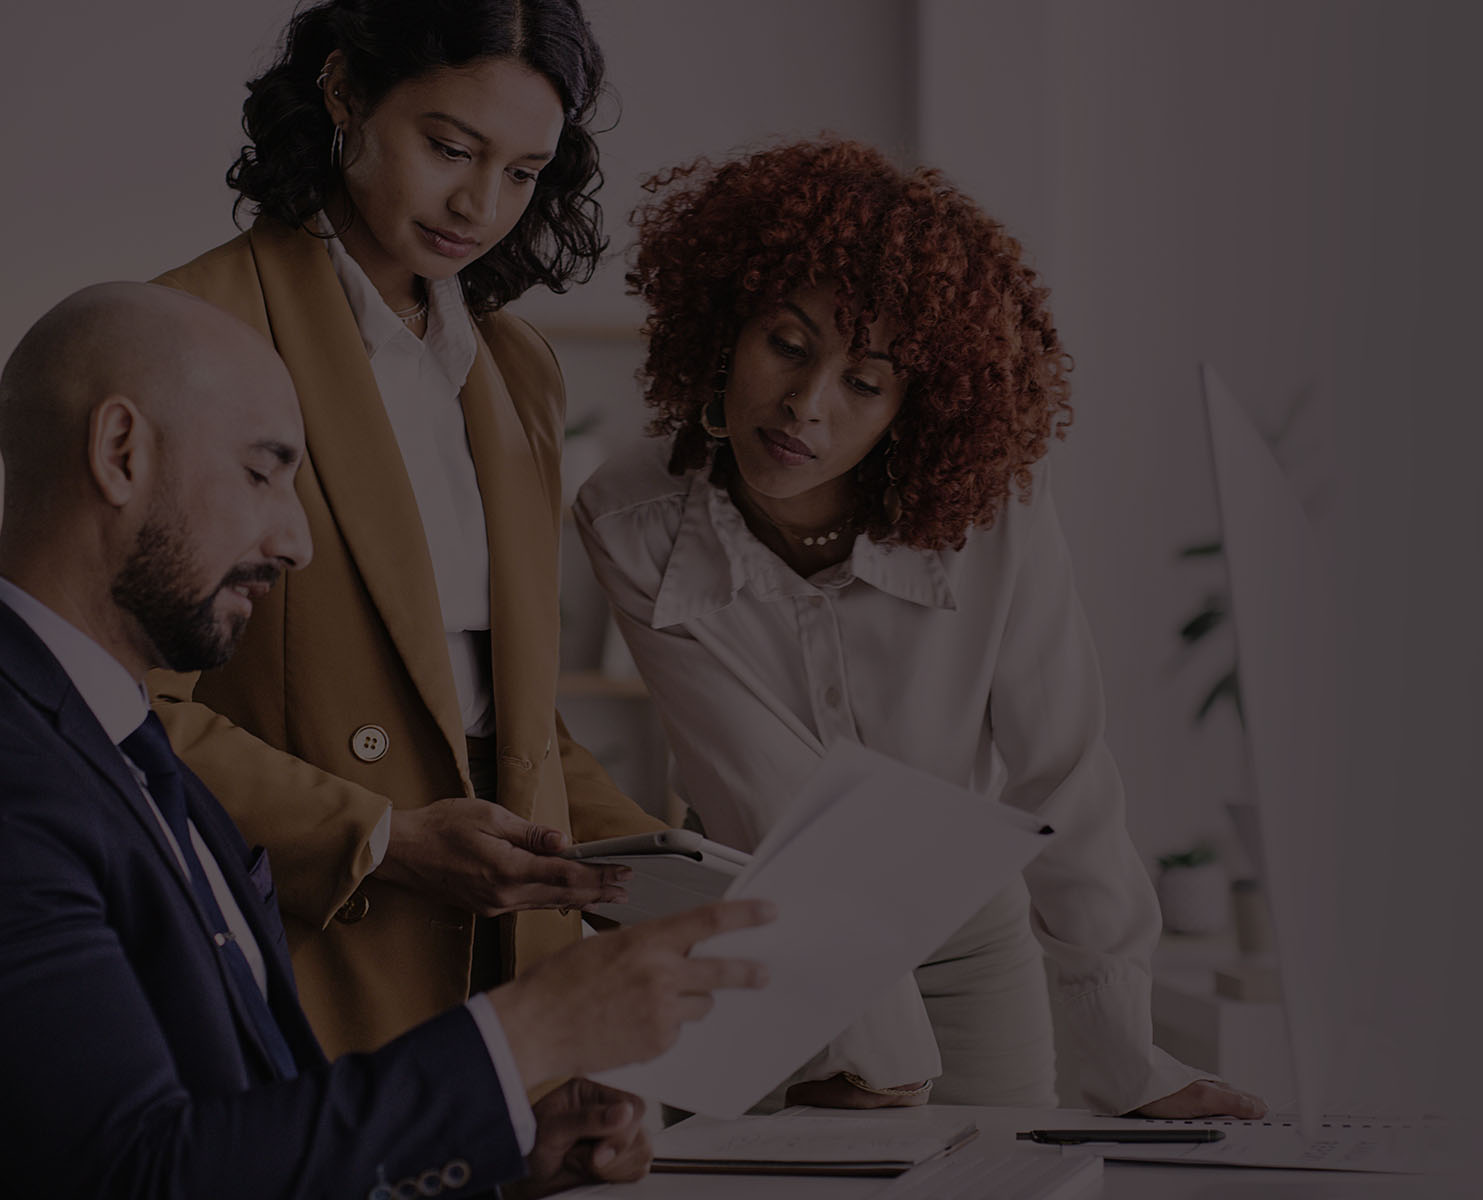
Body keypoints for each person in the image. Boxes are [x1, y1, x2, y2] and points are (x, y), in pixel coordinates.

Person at [0, 282, 774, 1199]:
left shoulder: (128, 749)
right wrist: (530, 1034)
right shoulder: (21, 776)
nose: (296, 542)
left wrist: (496, 1157)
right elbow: (135, 1179)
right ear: (121, 452)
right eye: (261, 473)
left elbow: (232, 1136)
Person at [574, 137, 1264, 1118]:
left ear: (915, 406)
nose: (805, 406)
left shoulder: (995, 514)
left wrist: (1127, 1061)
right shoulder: (630, 518)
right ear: (727, 325)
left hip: (970, 939)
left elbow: (1061, 773)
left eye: (864, 382)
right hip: (764, 929)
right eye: (787, 344)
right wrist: (868, 1054)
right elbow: (760, 790)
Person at [149, 0, 665, 1060]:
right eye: (448, 147)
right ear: (342, 91)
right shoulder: (188, 338)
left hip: (513, 967)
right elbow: (108, 711)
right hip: (301, 952)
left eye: (523, 172)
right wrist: (377, 838)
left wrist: (667, 866)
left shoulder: (517, 371)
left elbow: (509, 717)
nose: (479, 203)